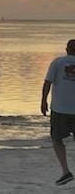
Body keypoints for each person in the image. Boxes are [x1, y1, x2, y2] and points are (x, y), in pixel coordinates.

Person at [41, 39, 75, 185]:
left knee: (56, 139)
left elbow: (47, 82)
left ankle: (66, 171)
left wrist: (43, 101)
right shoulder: (58, 63)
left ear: (66, 49)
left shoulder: (57, 62)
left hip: (60, 109)